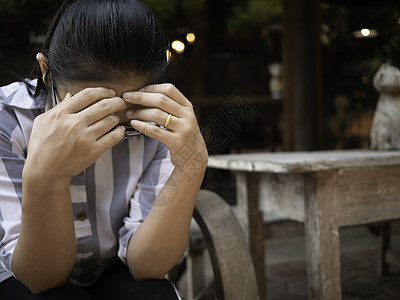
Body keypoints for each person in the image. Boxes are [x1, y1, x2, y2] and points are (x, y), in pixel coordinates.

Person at [0, 0, 207, 299]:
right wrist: (46, 177)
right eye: (92, 111)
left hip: (115, 266)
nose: (114, 133)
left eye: (130, 120)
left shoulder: (163, 121)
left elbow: (146, 266)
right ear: (47, 72)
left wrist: (192, 166)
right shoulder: (9, 120)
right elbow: (40, 277)